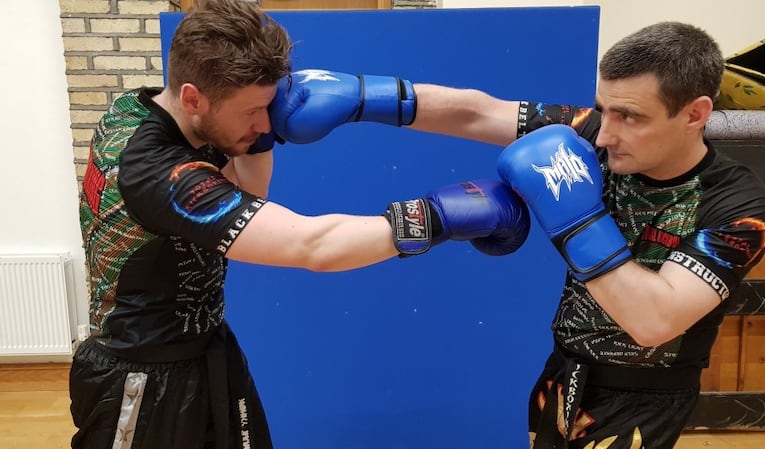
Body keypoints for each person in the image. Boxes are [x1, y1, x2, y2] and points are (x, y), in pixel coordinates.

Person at [268, 21, 765, 449]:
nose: (604, 134)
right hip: (561, 376)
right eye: (604, 109)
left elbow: (653, 320)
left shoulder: (739, 208)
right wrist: (362, 95)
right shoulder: (595, 135)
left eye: (630, 117)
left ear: (695, 114)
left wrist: (574, 215)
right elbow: (477, 111)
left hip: (642, 400)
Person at [69, 0, 532, 448]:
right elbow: (312, 246)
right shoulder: (156, 172)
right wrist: (438, 217)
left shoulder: (146, 107)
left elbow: (247, 197)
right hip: (140, 381)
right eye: (251, 111)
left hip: (206, 351)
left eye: (268, 106)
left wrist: (259, 139)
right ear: (193, 97)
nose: (263, 119)